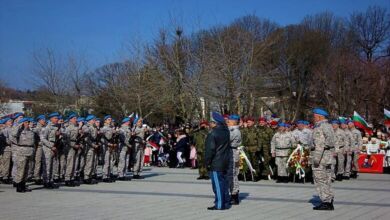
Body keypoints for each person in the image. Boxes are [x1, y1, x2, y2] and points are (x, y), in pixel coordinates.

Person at [205, 112, 231, 210]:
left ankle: (219, 204)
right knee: (224, 183)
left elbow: (210, 150)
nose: (210, 124)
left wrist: (207, 162)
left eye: (211, 122)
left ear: (215, 123)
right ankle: (226, 201)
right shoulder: (226, 131)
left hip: (216, 162)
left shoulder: (213, 133)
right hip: (225, 161)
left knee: (217, 185)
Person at [311, 108, 335, 211]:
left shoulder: (319, 127)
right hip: (327, 157)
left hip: (321, 158)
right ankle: (329, 199)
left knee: (320, 180)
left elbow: (319, 145)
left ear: (320, 116)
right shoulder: (329, 126)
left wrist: (316, 160)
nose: (314, 117)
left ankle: (326, 202)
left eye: (314, 116)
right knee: (327, 179)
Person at [12, 117, 35, 192]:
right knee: (21, 169)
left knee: (26, 170)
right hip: (22, 151)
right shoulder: (19, 131)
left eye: (28, 122)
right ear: (22, 123)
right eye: (25, 122)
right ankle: (18, 186)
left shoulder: (30, 131)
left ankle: (23, 185)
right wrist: (19, 125)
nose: (27, 124)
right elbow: (13, 134)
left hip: (29, 151)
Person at [40, 112, 61, 189]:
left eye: (57, 118)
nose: (57, 119)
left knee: (53, 165)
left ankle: (51, 180)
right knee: (47, 166)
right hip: (48, 149)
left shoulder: (57, 127)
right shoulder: (47, 128)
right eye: (55, 118)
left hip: (55, 148)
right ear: (51, 119)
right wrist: (51, 146)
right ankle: (46, 181)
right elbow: (42, 139)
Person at [227, 114, 241, 205]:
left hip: (233, 153)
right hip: (230, 152)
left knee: (232, 175)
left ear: (234, 121)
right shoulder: (231, 129)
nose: (228, 121)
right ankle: (232, 194)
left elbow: (227, 139)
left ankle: (234, 196)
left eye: (229, 120)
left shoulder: (234, 130)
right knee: (230, 175)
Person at [64, 113, 80, 187]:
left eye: (76, 118)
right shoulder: (68, 128)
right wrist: (73, 145)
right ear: (70, 119)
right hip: (70, 147)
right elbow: (66, 139)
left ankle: (72, 178)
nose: (75, 120)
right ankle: (67, 179)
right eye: (74, 118)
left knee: (74, 163)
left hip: (76, 145)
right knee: (70, 163)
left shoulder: (76, 127)